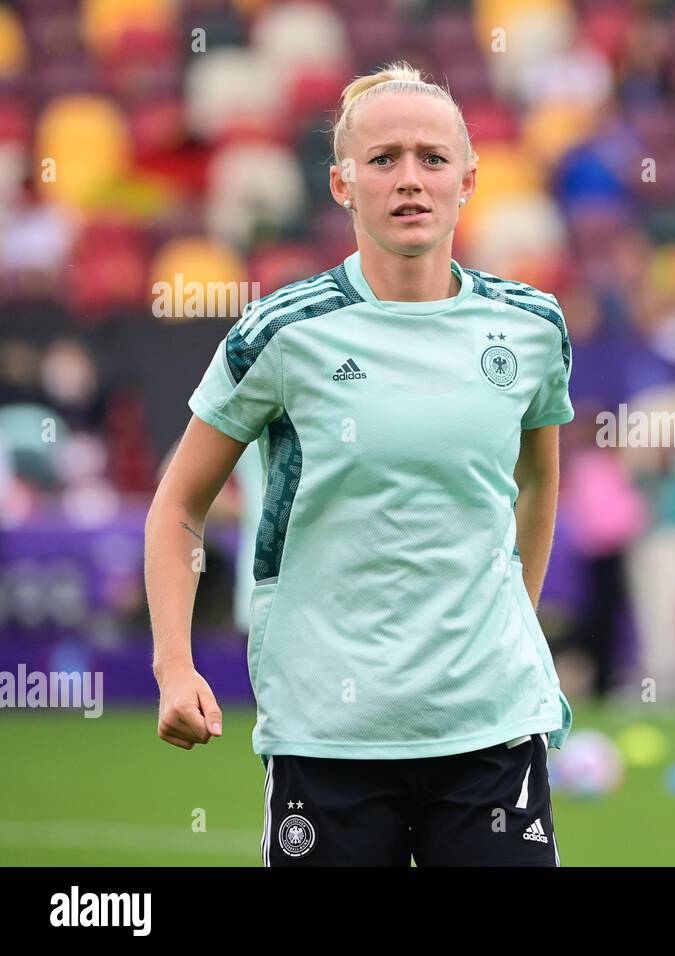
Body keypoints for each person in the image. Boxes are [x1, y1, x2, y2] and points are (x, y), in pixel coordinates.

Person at [144, 62, 574, 866]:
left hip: (492, 728)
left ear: (469, 179)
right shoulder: (283, 332)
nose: (409, 180)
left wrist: (516, 620)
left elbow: (540, 480)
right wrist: (174, 665)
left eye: (431, 159)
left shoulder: (531, 326)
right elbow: (178, 506)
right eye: (383, 161)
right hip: (328, 736)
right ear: (342, 184)